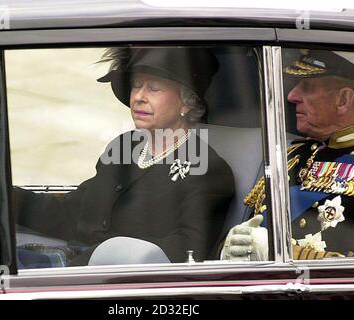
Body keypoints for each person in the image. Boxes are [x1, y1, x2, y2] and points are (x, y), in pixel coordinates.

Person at [13, 47, 235, 268]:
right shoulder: (124, 146)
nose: (138, 97)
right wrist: (2, 198)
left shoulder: (205, 168)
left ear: (186, 102)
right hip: (74, 262)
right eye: (136, 85)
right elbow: (72, 214)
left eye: (153, 88)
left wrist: (107, 254)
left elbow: (187, 250)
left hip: (116, 280)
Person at [222, 49, 354, 261]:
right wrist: (230, 249)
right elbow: (250, 226)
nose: (292, 96)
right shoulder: (295, 154)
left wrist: (280, 252)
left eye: (307, 87)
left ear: (343, 100)